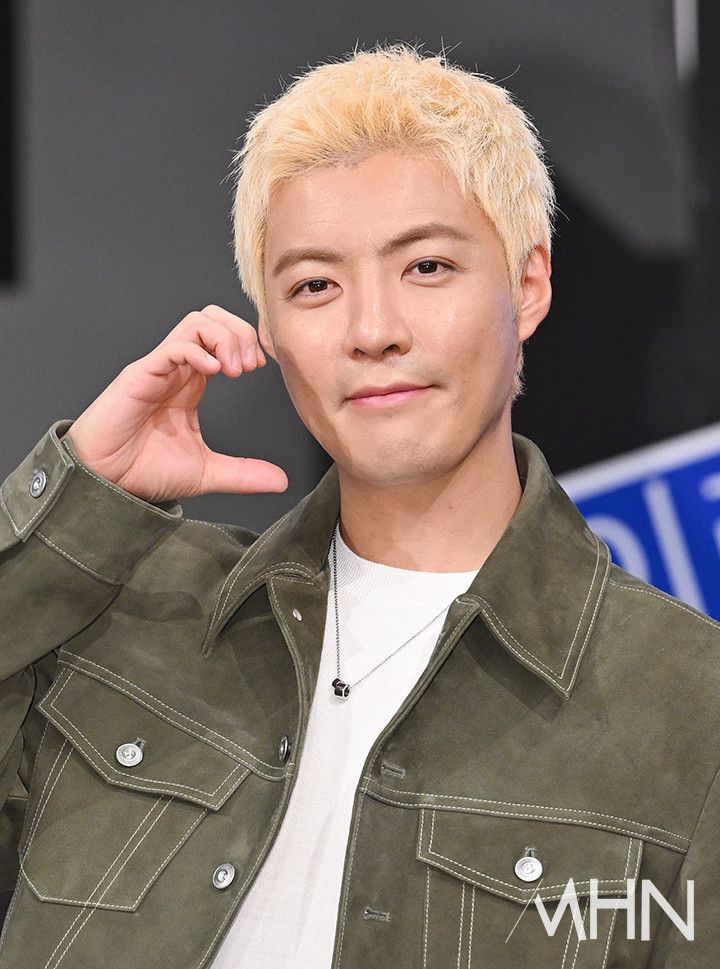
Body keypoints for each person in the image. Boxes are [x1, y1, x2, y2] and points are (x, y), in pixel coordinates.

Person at [0, 40, 718, 969]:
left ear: (528, 286)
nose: (372, 330)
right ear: (269, 326)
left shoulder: (688, 706)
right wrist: (70, 510)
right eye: (315, 286)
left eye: (427, 267)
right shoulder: (124, 619)